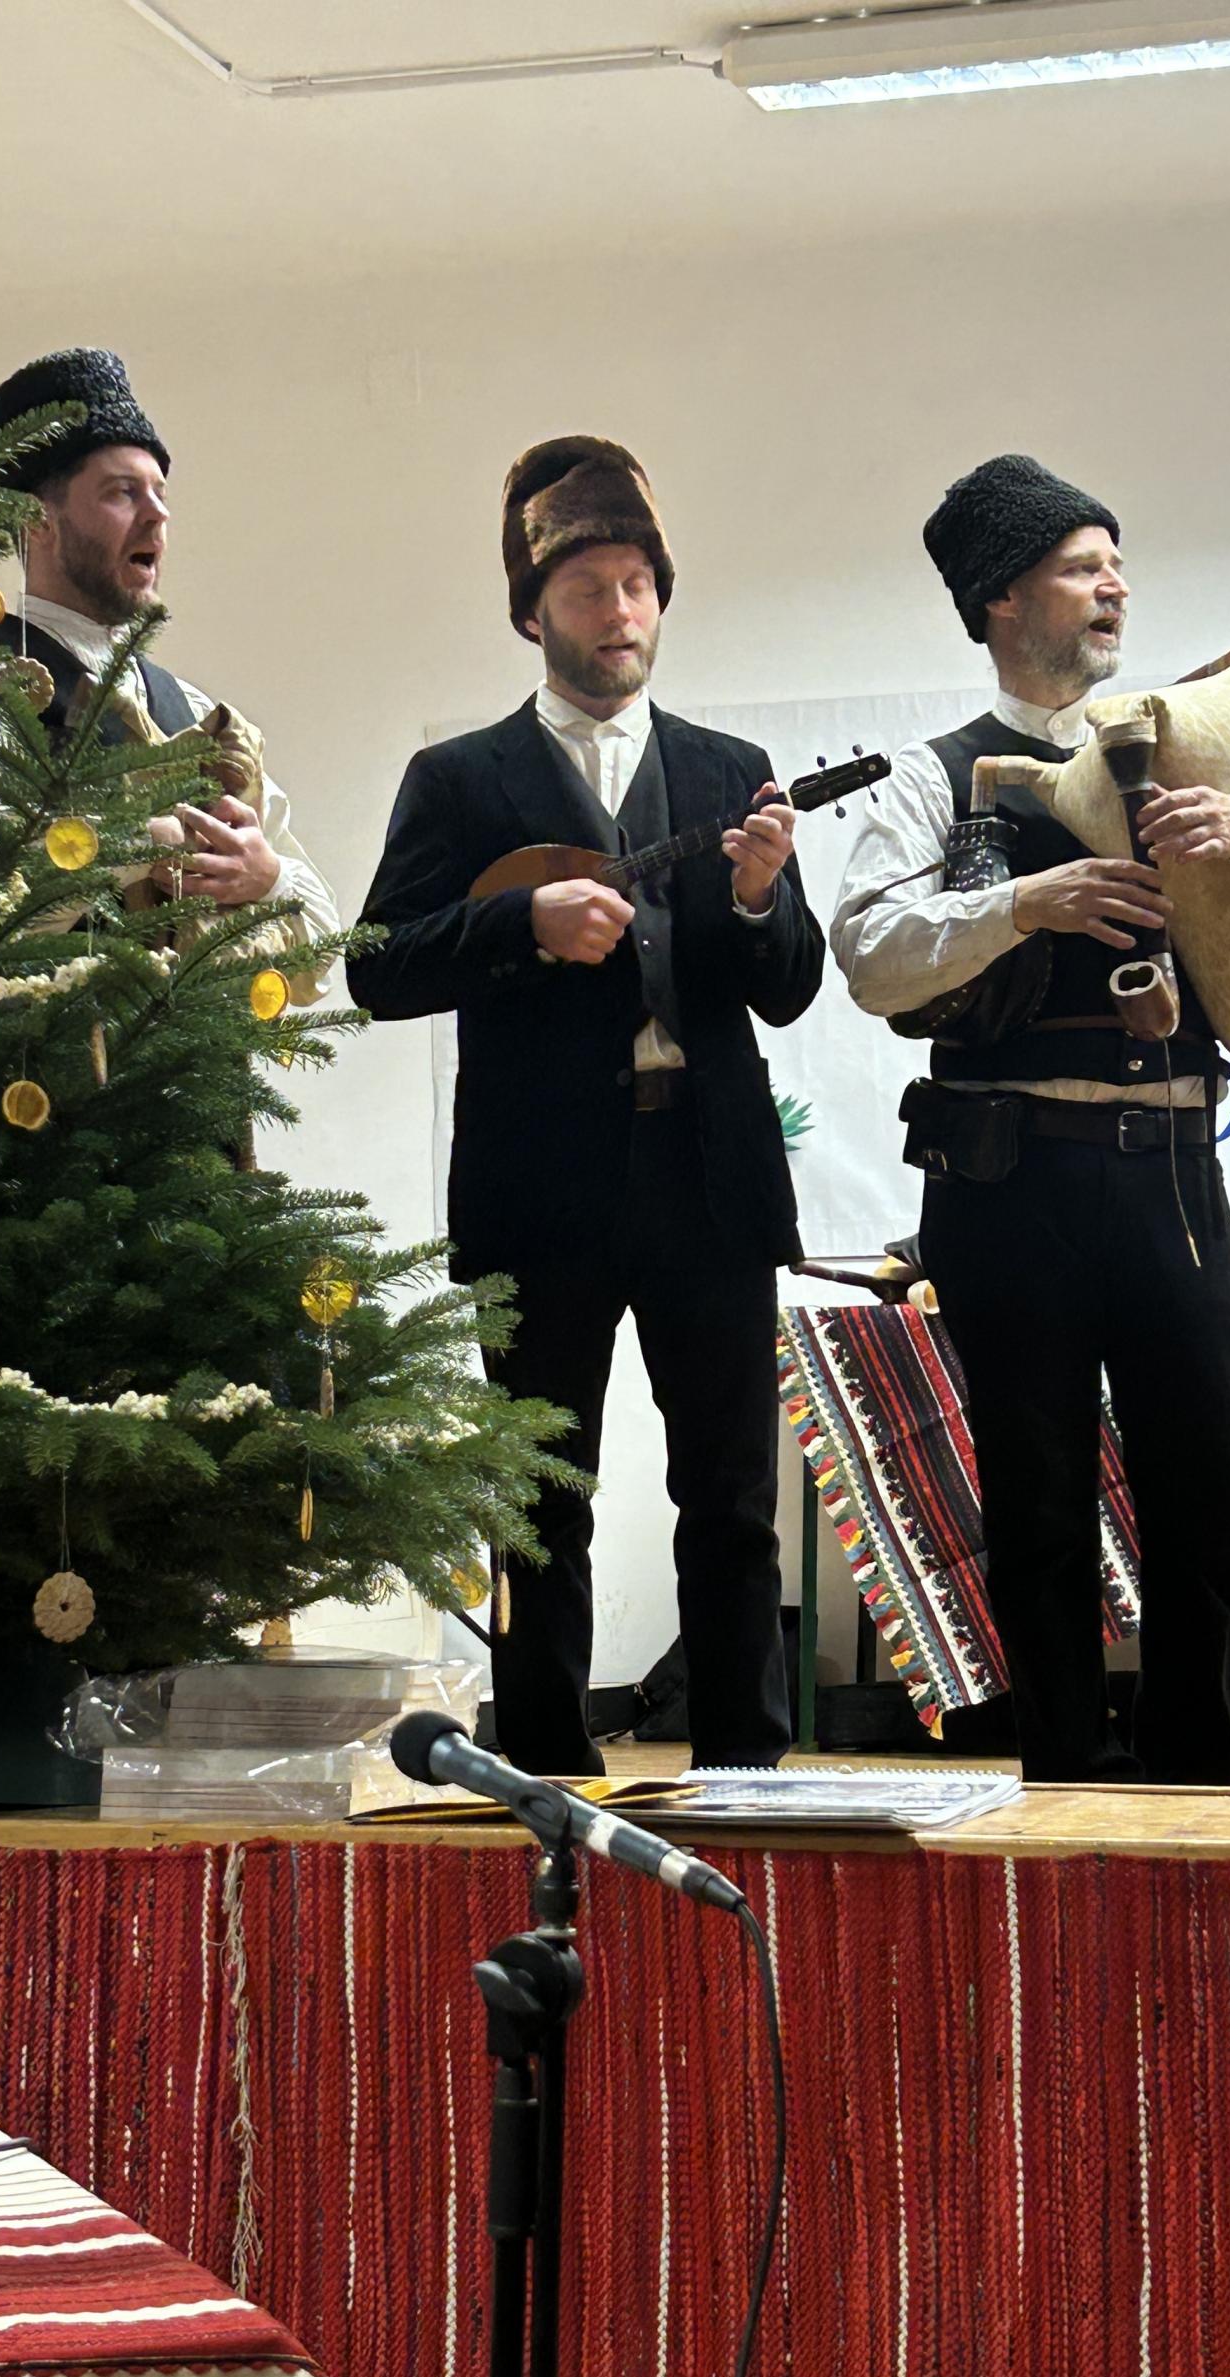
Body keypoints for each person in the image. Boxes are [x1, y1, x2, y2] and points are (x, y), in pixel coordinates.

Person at [832, 454, 1230, 1785]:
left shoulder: (1180, 740)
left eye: (1117, 563)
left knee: (1209, 1470)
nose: (1114, 586)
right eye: (1083, 566)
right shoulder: (935, 775)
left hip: (1172, 1173)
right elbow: (869, 950)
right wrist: (1026, 902)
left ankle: (1196, 1765)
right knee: (1035, 1493)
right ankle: (1063, 1773)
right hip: (1005, 1180)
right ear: (1002, 598)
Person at [350, 437, 825, 1775]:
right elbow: (377, 967)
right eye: (588, 589)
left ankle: (744, 1769)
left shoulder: (731, 766)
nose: (620, 612)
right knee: (539, 1502)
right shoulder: (460, 778)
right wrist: (522, 923)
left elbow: (790, 987)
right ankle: (549, 1768)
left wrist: (756, 897)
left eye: (637, 586)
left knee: (731, 1499)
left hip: (709, 1183)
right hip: (539, 1193)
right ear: (532, 613)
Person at [0, 347, 339, 949]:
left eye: (160, 492)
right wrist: (149, 841)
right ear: (36, 518)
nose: (158, 514)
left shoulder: (190, 709)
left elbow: (323, 946)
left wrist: (267, 878)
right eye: (123, 493)